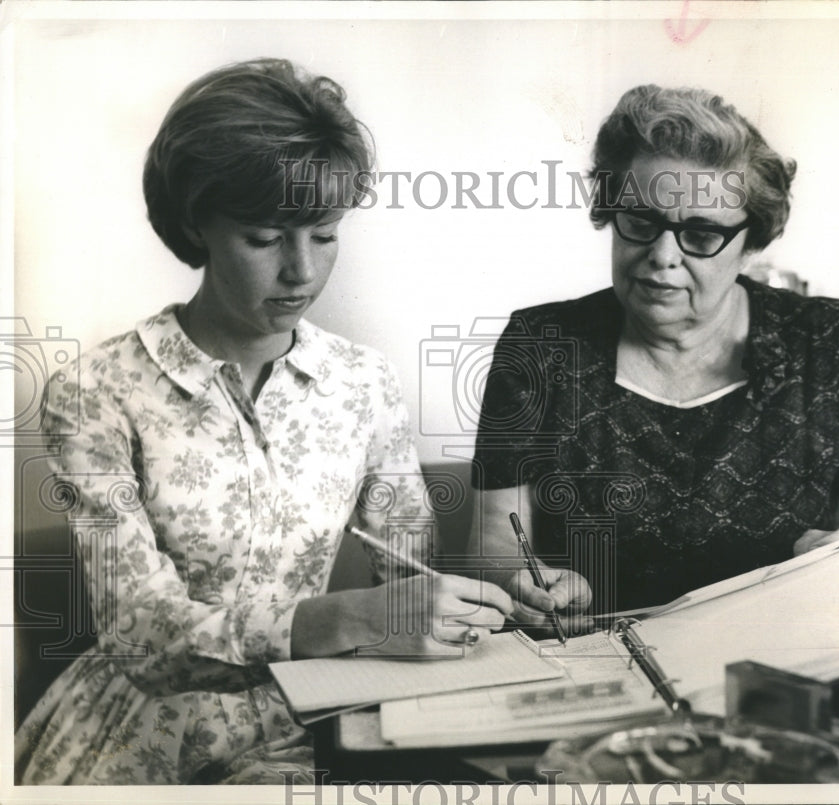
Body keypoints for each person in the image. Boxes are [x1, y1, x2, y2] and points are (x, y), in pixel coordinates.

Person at [15, 58, 512, 785]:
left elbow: (409, 575)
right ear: (197, 221)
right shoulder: (95, 390)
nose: (301, 272)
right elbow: (141, 635)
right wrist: (343, 618)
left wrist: (463, 605)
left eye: (325, 233)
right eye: (265, 237)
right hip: (146, 737)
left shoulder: (363, 381)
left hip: (323, 718)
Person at [468, 85, 839, 623]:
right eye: (639, 221)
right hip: (603, 664)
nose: (662, 256)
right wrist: (526, 585)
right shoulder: (541, 346)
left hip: (791, 660)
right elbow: (494, 545)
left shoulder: (830, 342)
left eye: (701, 234)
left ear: (751, 242)